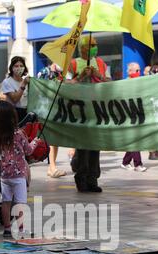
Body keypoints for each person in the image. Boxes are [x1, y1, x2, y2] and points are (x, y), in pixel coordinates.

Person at [68, 35, 110, 192]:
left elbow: (109, 82)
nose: (94, 47)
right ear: (82, 47)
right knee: (83, 146)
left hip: (97, 109)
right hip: (80, 111)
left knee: (95, 146)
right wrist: (81, 76)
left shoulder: (100, 63)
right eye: (91, 44)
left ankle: (93, 179)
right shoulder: (73, 64)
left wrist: (98, 76)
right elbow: (66, 84)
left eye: (96, 44)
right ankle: (81, 177)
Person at [0, 100, 39, 238]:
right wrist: (36, 141)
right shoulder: (19, 134)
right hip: (18, 175)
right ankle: (20, 229)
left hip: (4, 175)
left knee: (6, 202)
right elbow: (29, 151)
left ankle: (7, 228)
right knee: (20, 203)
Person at [38, 62, 66, 179]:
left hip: (57, 109)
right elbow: (40, 88)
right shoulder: (44, 72)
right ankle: (52, 167)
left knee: (56, 140)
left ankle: (52, 168)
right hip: (46, 109)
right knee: (52, 139)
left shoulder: (61, 74)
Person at [121, 62, 147, 172]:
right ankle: (137, 164)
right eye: (136, 70)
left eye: (139, 70)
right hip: (129, 114)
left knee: (135, 139)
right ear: (130, 71)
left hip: (138, 113)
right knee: (136, 139)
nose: (138, 72)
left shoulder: (140, 82)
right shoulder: (125, 83)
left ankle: (125, 162)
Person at [0, 56, 29, 123]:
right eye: (16, 66)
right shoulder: (7, 82)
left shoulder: (27, 81)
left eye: (21, 66)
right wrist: (23, 85)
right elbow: (15, 99)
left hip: (26, 112)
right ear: (12, 68)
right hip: (13, 114)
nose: (19, 68)